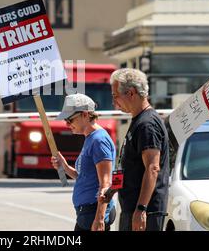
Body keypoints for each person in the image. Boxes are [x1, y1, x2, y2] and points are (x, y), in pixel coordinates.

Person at [110, 68, 169, 231]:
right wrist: (111, 191)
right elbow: (130, 165)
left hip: (144, 212)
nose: (115, 102)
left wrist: (141, 209)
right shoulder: (139, 120)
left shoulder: (147, 124)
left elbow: (152, 167)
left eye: (116, 96)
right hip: (133, 209)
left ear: (131, 93)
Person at [51, 93, 116, 231]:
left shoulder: (99, 140)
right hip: (88, 212)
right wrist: (65, 166)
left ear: (85, 114)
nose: (67, 124)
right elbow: (85, 177)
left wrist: (99, 219)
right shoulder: (90, 138)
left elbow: (106, 184)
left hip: (94, 212)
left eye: (70, 120)